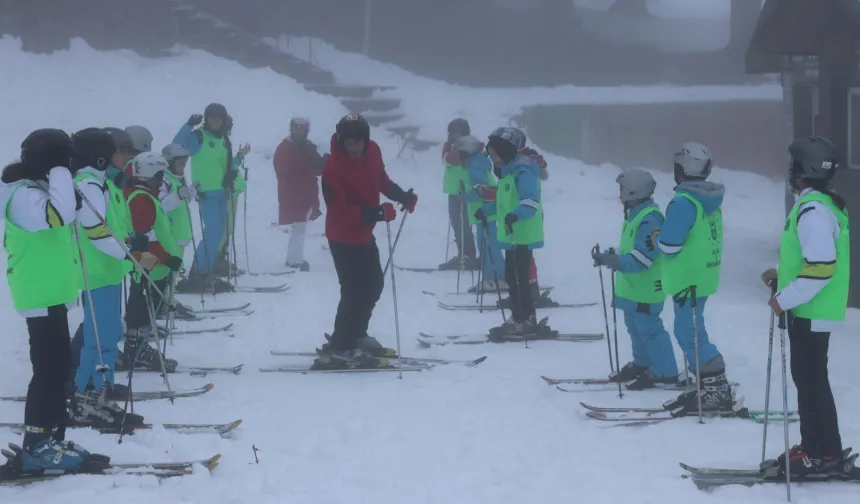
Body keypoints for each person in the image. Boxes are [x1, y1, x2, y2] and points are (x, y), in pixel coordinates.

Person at [1, 129, 96, 471]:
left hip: (52, 292)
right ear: (51, 161)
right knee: (48, 370)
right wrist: (61, 177)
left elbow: (69, 217)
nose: (68, 167)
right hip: (38, 292)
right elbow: (57, 217)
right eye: (64, 161)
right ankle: (36, 444)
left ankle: (52, 438)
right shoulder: (23, 196)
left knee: (57, 368)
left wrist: (68, 189)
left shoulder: (36, 189)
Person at [762, 136, 850, 476]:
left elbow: (821, 267)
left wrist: (783, 299)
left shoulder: (813, 210)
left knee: (811, 382)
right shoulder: (822, 204)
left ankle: (822, 452)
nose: (789, 171)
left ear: (802, 171)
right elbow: (811, 260)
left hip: (811, 311)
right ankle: (816, 446)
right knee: (810, 380)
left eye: (793, 166)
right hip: (812, 310)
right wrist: (781, 275)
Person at [314, 113, 417, 369]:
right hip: (342, 236)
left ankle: (356, 335)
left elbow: (380, 179)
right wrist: (375, 213)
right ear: (341, 140)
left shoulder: (372, 152)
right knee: (353, 290)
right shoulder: (333, 169)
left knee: (373, 285)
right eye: (348, 141)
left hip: (363, 234)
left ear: (365, 139)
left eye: (358, 140)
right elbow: (338, 211)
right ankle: (340, 345)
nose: (354, 146)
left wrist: (401, 195)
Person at [68, 128, 145, 429]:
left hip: (107, 270)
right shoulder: (87, 184)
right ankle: (86, 397)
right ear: (100, 155)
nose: (123, 156)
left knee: (109, 333)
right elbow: (97, 233)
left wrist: (129, 245)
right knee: (99, 338)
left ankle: (101, 391)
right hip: (97, 271)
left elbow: (111, 226)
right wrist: (128, 251)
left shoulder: (101, 182)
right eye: (117, 151)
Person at [655, 142, 733, 414]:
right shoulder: (710, 200)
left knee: (689, 332)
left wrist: (657, 237)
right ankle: (708, 384)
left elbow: (669, 245)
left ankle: (715, 388)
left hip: (687, 279)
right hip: (703, 277)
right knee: (692, 329)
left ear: (681, 170)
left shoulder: (683, 202)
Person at [591, 168, 679, 390]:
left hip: (647, 287)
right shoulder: (634, 214)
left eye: (622, 189)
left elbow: (642, 258)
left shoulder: (650, 219)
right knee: (633, 325)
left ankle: (665, 372)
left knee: (649, 328)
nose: (620, 194)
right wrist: (611, 256)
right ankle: (643, 363)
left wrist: (613, 261)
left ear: (633, 191)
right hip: (633, 287)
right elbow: (632, 248)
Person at [485, 127, 553, 338]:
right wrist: (485, 211)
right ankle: (519, 318)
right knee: (512, 279)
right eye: (491, 155)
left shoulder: (523, 171)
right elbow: (503, 203)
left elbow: (530, 201)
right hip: (511, 234)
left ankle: (524, 319)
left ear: (506, 150)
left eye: (495, 154)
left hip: (522, 233)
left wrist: (517, 215)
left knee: (518, 280)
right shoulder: (508, 170)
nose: (493, 159)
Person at [119, 152, 183, 373]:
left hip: (156, 265)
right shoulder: (141, 199)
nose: (161, 180)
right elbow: (143, 239)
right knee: (142, 306)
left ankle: (139, 347)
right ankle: (136, 350)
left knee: (146, 307)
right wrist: (168, 258)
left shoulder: (146, 195)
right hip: (150, 265)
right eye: (159, 175)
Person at [172, 103, 233, 292]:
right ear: (206, 119)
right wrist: (188, 126)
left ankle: (205, 270)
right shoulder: (199, 137)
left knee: (219, 232)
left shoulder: (224, 139)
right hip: (206, 194)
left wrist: (231, 176)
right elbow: (176, 146)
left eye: (219, 118)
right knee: (213, 231)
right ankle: (199, 272)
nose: (215, 121)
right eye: (211, 117)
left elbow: (226, 164)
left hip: (222, 193)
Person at [453, 135, 505, 293]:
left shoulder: (475, 166)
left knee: (488, 246)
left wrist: (465, 197)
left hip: (485, 212)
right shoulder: (476, 163)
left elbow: (481, 190)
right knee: (489, 245)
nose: (459, 156)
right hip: (484, 212)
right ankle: (496, 278)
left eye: (460, 153)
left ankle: (495, 279)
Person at [273, 117, 325, 271]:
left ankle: (294, 259)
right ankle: (294, 261)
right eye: (296, 127)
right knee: (299, 226)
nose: (298, 130)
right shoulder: (285, 147)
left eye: (301, 128)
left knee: (300, 226)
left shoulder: (308, 146)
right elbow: (282, 170)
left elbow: (317, 169)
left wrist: (324, 162)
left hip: (307, 193)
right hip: (293, 193)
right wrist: (306, 166)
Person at [439, 118, 478, 270]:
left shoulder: (469, 147)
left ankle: (469, 255)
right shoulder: (449, 146)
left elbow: (454, 160)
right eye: (450, 132)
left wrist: (457, 151)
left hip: (464, 191)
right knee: (457, 223)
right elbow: (446, 160)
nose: (451, 135)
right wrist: (451, 147)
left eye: (454, 132)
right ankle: (463, 254)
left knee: (463, 224)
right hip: (453, 190)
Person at [216, 113, 250, 277]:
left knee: (228, 226)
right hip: (226, 192)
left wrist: (240, 156)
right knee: (224, 226)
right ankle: (217, 259)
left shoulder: (225, 143)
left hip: (233, 191)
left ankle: (221, 256)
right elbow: (226, 169)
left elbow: (231, 166)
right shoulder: (220, 145)